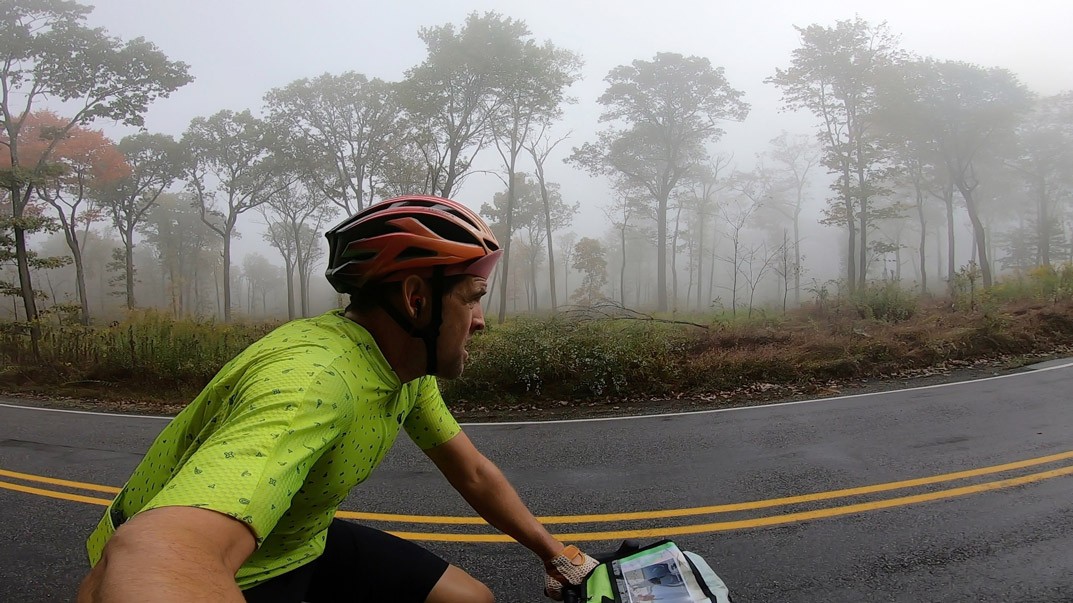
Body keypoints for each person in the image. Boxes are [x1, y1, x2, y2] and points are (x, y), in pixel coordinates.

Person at [77, 195, 599, 602]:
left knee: (471, 598)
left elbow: (473, 473)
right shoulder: (312, 383)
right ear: (417, 300)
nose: (481, 322)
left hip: (300, 539)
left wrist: (559, 557)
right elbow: (162, 551)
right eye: (472, 299)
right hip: (235, 570)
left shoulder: (404, 365)